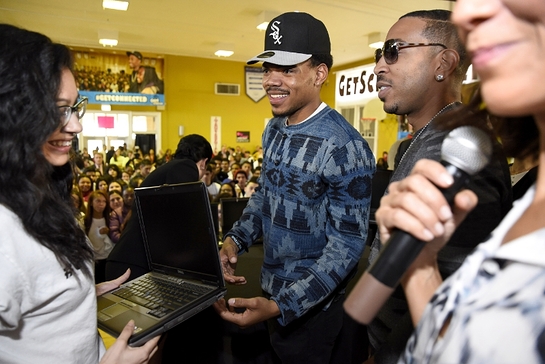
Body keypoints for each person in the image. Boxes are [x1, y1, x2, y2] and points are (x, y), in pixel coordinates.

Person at [349, 0, 545, 362]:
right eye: (380, 53)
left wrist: (390, 352)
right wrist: (421, 272)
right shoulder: (435, 138)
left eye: (393, 52)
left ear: (444, 63)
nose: (379, 66)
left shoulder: (457, 146)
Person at [212, 12, 375, 364]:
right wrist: (234, 239)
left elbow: (347, 246)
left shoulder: (345, 146)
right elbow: (264, 196)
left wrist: (279, 306)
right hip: (270, 289)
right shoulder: (273, 128)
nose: (271, 80)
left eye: (287, 70)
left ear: (320, 74)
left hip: (312, 311)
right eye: (267, 68)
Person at [0, 24, 158, 363]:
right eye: (58, 109)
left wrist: (81, 294)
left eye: (74, 107)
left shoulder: (39, 194)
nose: (75, 125)